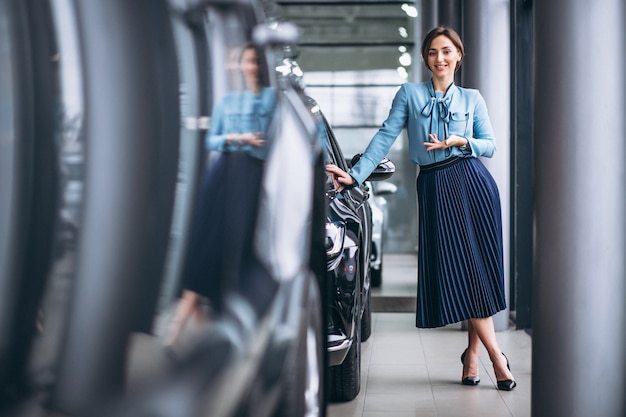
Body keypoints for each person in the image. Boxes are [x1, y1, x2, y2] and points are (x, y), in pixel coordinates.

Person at [325, 26, 516, 391]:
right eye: (432, 52)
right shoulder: (410, 94)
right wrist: (355, 174)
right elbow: (385, 136)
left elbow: (490, 145)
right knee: (465, 272)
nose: (439, 58)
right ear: (426, 58)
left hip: (473, 183)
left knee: (478, 271)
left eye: (447, 51)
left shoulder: (473, 98)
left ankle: (479, 356)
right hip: (434, 186)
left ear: (459, 55)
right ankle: (495, 356)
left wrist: (463, 141)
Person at [164, 43, 276, 347]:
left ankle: (193, 323)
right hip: (224, 173)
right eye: (246, 61)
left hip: (254, 176)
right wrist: (239, 138)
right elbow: (212, 139)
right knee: (208, 240)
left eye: (255, 61)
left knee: (234, 245)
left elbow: (278, 141)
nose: (250, 67)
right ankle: (184, 323)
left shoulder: (271, 99)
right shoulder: (227, 101)